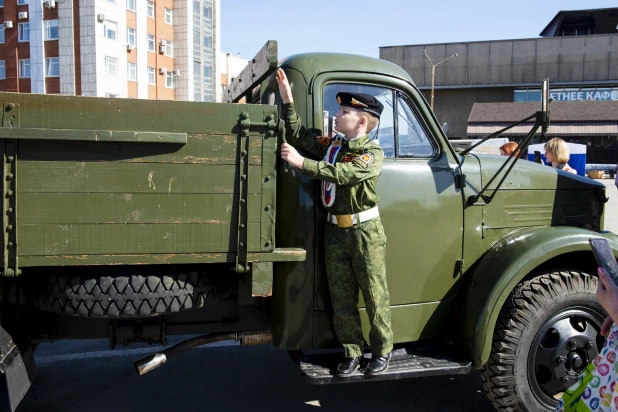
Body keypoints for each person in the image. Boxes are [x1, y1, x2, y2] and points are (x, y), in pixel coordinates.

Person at [275, 68, 393, 377]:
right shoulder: (333, 146)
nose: (338, 116)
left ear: (362, 121)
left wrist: (302, 163)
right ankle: (352, 351)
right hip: (335, 231)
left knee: (374, 294)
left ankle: (382, 351)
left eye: (344, 112)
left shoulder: (371, 152)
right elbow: (300, 134)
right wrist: (288, 99)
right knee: (341, 297)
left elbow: (346, 175)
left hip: (364, 232)